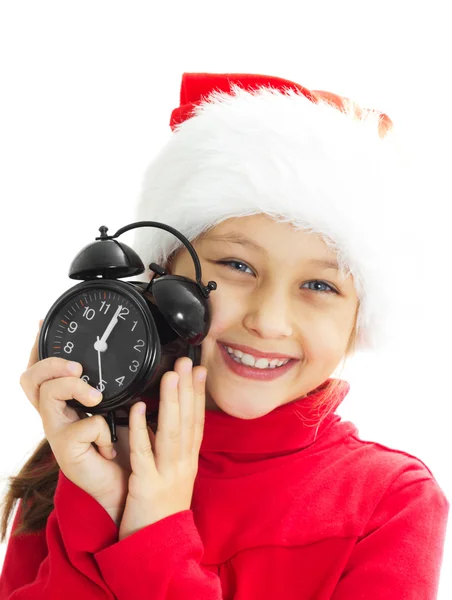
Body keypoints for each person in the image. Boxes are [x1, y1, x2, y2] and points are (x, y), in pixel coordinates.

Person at [0, 72, 449, 599]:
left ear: (359, 321)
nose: (269, 320)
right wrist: (101, 502)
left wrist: (152, 533)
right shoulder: (76, 462)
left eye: (319, 284)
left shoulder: (390, 503)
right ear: (162, 275)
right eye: (237, 264)